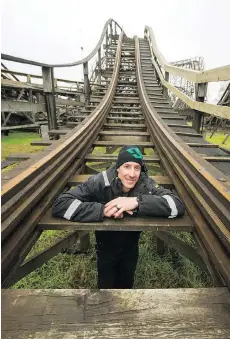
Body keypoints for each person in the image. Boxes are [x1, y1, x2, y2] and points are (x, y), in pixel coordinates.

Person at [52, 145, 185, 288]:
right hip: (104, 247)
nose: (132, 174)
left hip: (131, 247)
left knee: (127, 285)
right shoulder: (99, 182)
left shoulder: (145, 184)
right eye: (127, 166)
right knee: (105, 286)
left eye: (137, 168)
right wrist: (102, 209)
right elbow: (61, 204)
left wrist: (136, 202)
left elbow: (177, 205)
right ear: (118, 167)